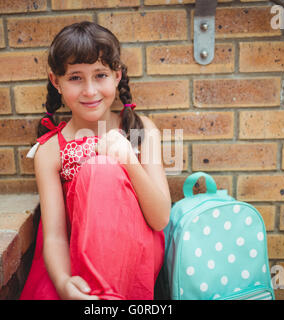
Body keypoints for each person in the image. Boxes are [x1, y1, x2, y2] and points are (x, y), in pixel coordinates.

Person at [19, 21, 171, 300]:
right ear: (57, 82)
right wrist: (64, 284)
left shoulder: (141, 130)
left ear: (117, 75)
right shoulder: (51, 150)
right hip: (78, 252)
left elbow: (161, 218)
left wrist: (127, 159)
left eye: (100, 75)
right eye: (76, 77)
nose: (90, 91)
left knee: (102, 171)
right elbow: (54, 235)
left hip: (138, 250)